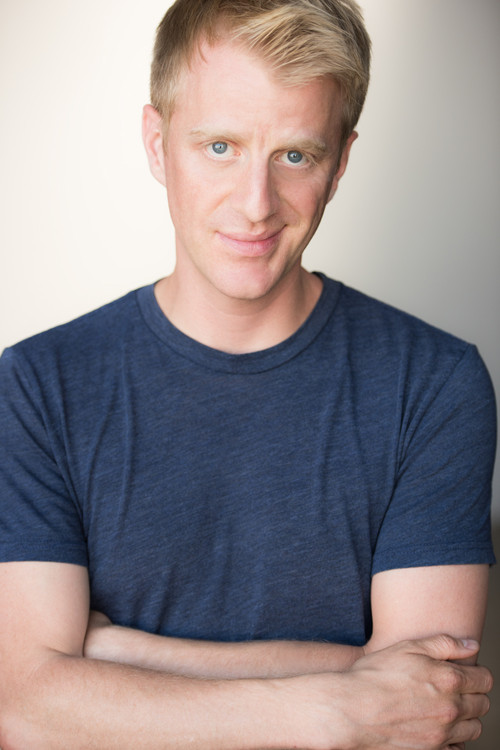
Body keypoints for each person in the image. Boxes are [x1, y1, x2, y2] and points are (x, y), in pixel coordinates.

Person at [0, 0, 496, 748]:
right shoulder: (38, 385)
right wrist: (331, 708)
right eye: (220, 147)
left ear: (340, 164)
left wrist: (115, 655)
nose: (256, 205)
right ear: (158, 145)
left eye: (295, 155)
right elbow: (23, 710)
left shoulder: (435, 384)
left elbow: (422, 712)